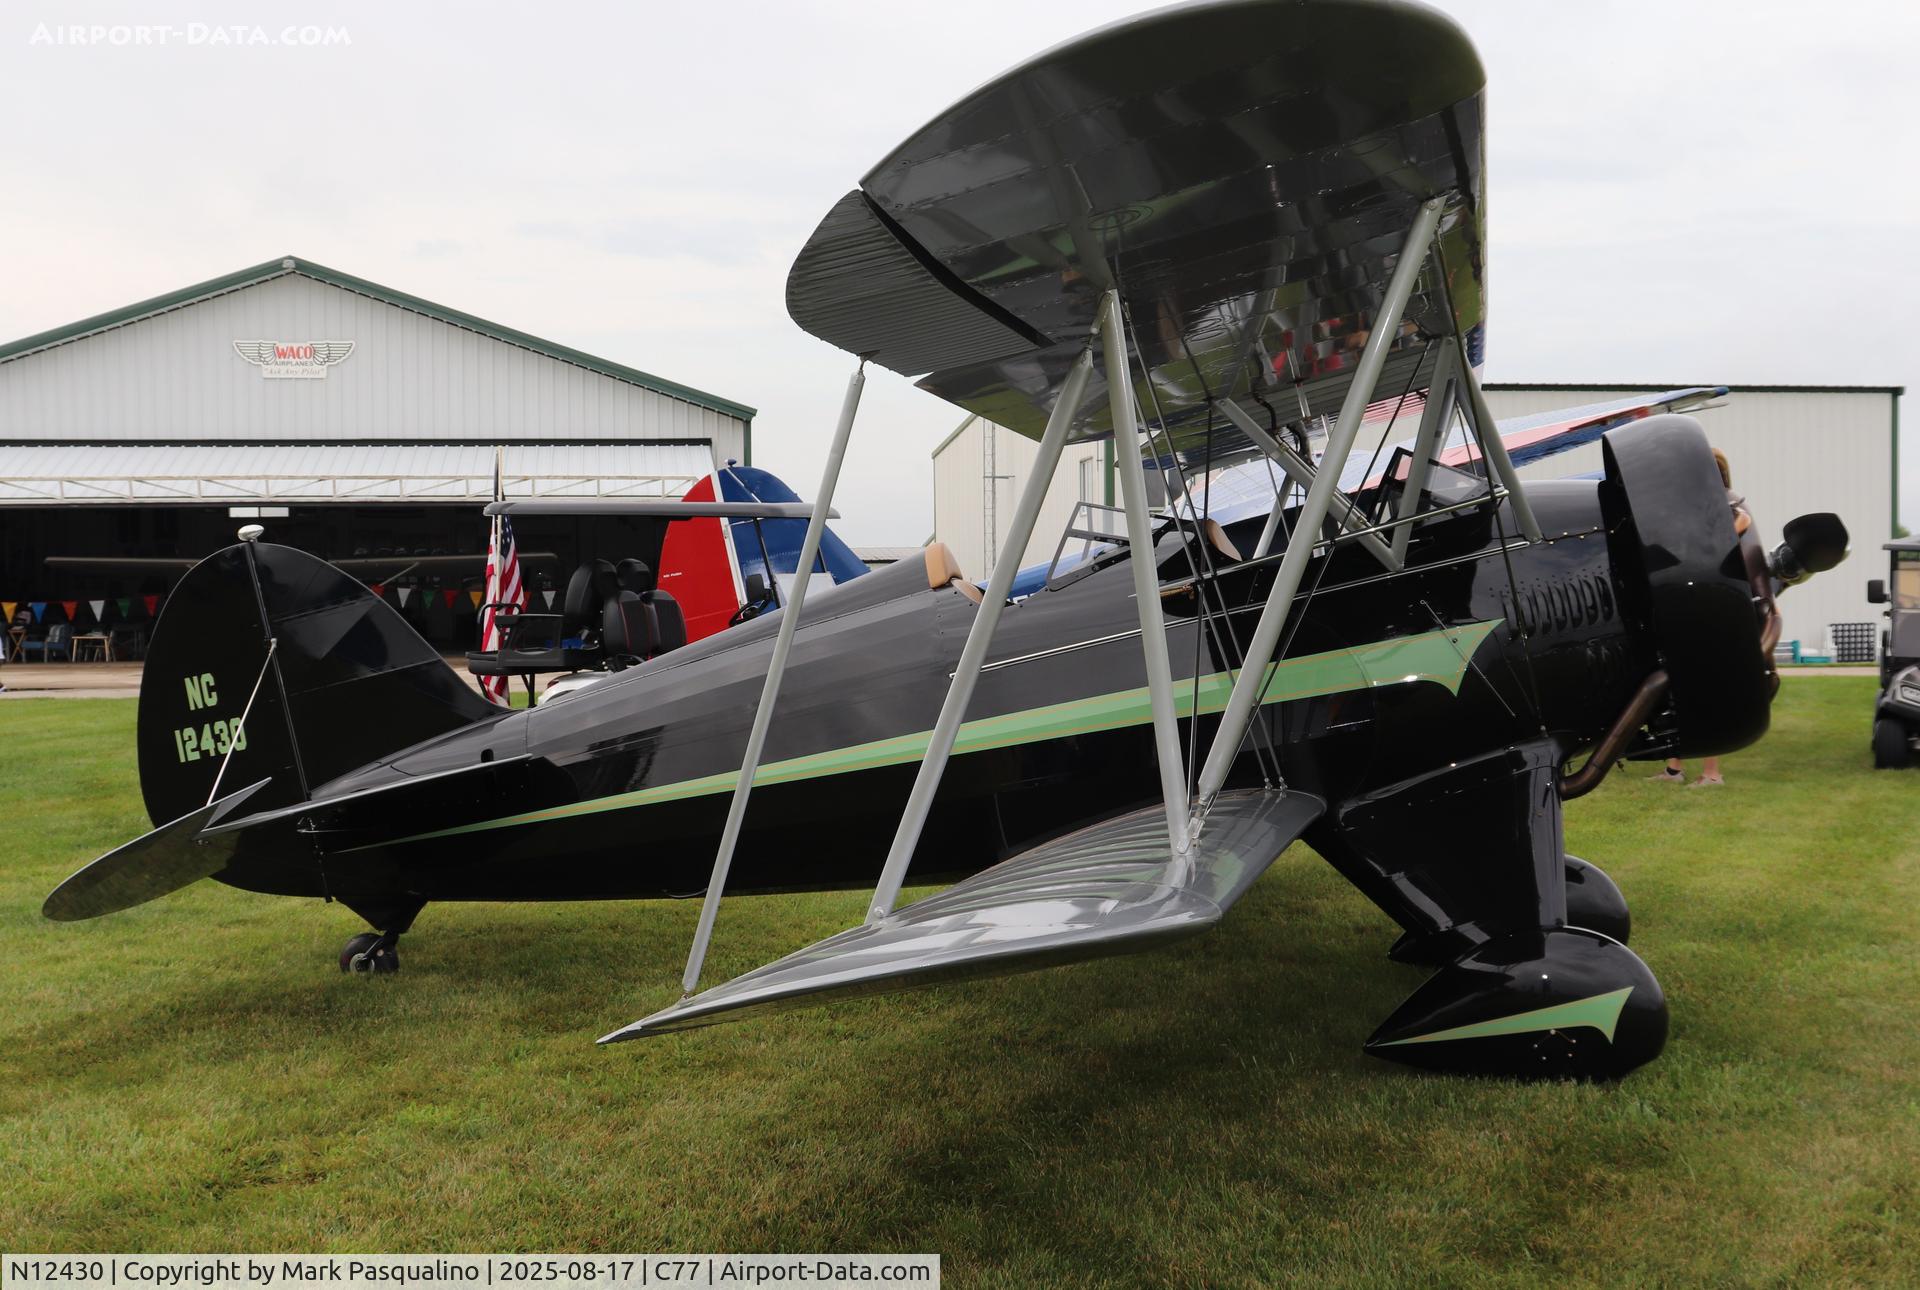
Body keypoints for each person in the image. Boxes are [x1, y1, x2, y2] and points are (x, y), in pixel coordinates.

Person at [1652, 447, 1748, 787]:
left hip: (1711, 602)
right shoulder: (1693, 505)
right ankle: (1674, 768)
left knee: (1707, 688)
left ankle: (1712, 772)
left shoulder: (1727, 505)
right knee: (1679, 686)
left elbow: (1739, 526)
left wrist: (1705, 546)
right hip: (1690, 599)